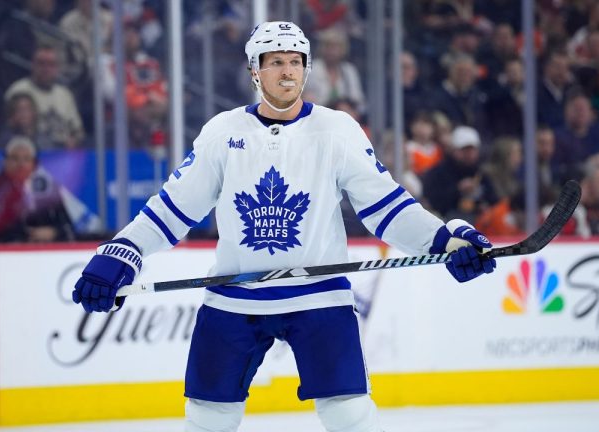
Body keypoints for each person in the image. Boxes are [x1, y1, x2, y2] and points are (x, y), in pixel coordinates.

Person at [71, 21, 497, 432]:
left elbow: (386, 206)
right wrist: (123, 250)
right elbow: (173, 208)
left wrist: (444, 238)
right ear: (254, 70)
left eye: (295, 61)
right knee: (207, 417)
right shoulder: (223, 132)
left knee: (349, 413)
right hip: (235, 298)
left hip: (319, 296)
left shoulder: (337, 130)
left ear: (307, 68)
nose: (287, 70)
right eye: (274, 61)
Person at [0, 136, 74, 243]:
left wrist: (53, 232)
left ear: (34, 164)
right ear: (6, 162)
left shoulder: (49, 191)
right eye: (15, 158)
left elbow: (67, 228)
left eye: (26, 159)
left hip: (43, 253)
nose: (21, 164)